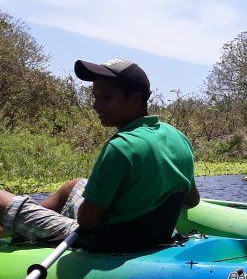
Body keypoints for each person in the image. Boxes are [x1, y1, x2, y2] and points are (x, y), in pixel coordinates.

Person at [0, 58, 200, 253]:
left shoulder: (121, 147)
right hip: (156, 236)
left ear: (136, 98)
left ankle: (21, 227)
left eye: (106, 97)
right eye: (95, 97)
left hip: (104, 241)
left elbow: (86, 221)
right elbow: (192, 200)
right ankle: (18, 230)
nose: (96, 105)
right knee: (75, 185)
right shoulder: (177, 136)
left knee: (2, 199)